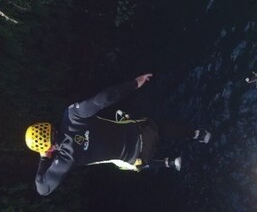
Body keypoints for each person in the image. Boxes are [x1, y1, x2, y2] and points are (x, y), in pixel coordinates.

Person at [25, 73, 211, 196]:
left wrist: (44, 159)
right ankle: (198, 134)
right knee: (157, 127)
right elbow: (104, 99)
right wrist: (135, 83)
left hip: (139, 157)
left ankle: (169, 163)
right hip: (143, 133)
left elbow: (43, 188)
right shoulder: (71, 116)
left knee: (125, 164)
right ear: (48, 126)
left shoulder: (66, 158)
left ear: (47, 148)